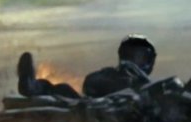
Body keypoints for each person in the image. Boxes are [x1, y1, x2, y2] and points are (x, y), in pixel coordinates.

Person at [16, 34, 157, 98]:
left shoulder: (148, 87)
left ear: (148, 61)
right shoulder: (109, 73)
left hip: (125, 120)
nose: (132, 60)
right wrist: (118, 81)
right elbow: (89, 84)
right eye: (129, 55)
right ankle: (30, 86)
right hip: (94, 109)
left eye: (138, 57)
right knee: (62, 89)